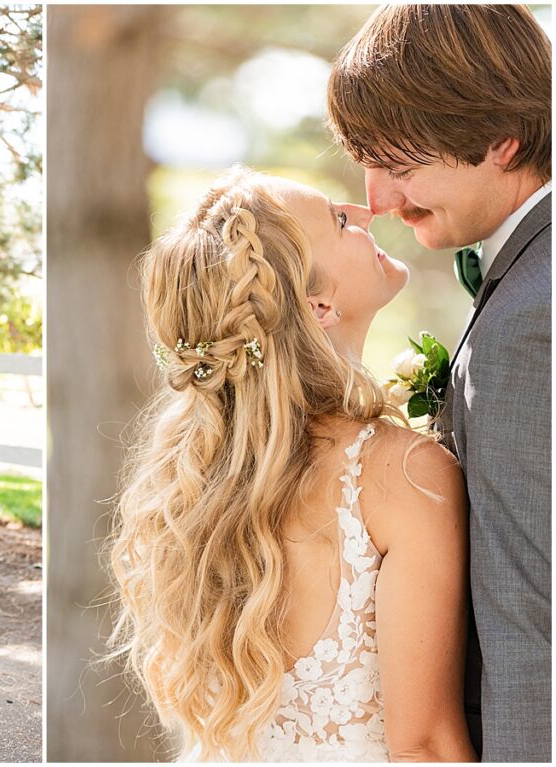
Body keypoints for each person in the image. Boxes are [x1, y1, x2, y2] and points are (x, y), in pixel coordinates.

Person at [109, 166, 477, 762]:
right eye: (338, 220)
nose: (363, 214)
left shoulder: (201, 484)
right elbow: (426, 746)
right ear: (320, 305)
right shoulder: (402, 475)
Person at [327, 5, 551, 761]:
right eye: (367, 162)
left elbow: (532, 618)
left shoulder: (532, 317)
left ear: (501, 139)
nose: (380, 200)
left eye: (402, 163)